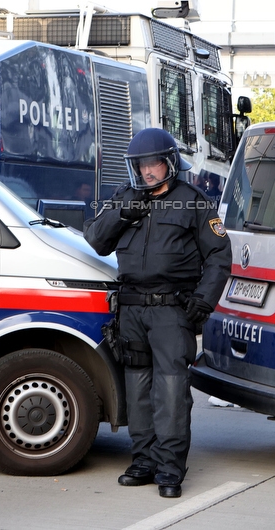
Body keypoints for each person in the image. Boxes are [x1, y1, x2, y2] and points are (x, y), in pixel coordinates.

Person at [84, 128, 231, 499]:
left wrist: (204, 299)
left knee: (171, 392)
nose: (146, 173)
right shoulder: (125, 198)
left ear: (168, 164)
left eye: (152, 165)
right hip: (131, 309)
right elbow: (96, 240)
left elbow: (219, 255)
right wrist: (122, 212)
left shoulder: (193, 201)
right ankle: (143, 461)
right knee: (138, 391)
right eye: (140, 166)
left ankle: (169, 470)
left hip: (171, 310)